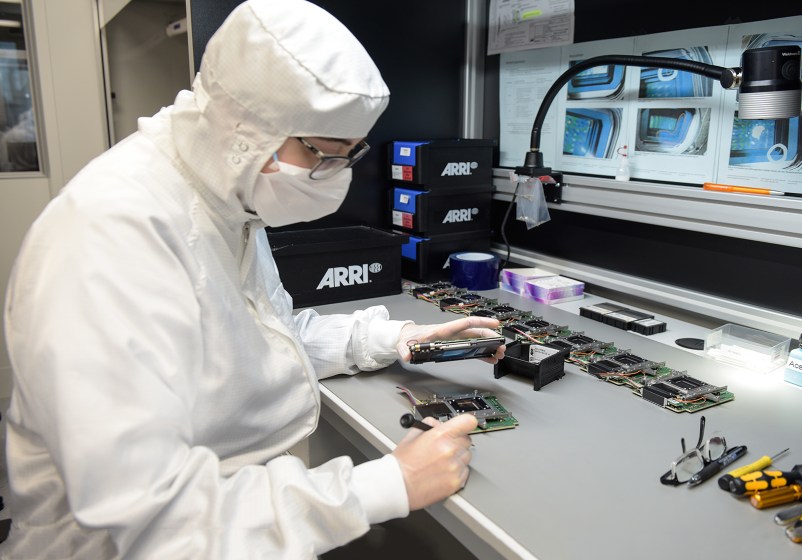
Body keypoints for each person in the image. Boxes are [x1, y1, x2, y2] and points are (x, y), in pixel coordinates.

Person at [1, 0, 504, 558]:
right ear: (250, 133)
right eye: (323, 155)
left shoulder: (226, 194)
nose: (333, 177)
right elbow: (146, 517)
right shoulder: (110, 238)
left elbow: (254, 342)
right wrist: (379, 487)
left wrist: (392, 338)